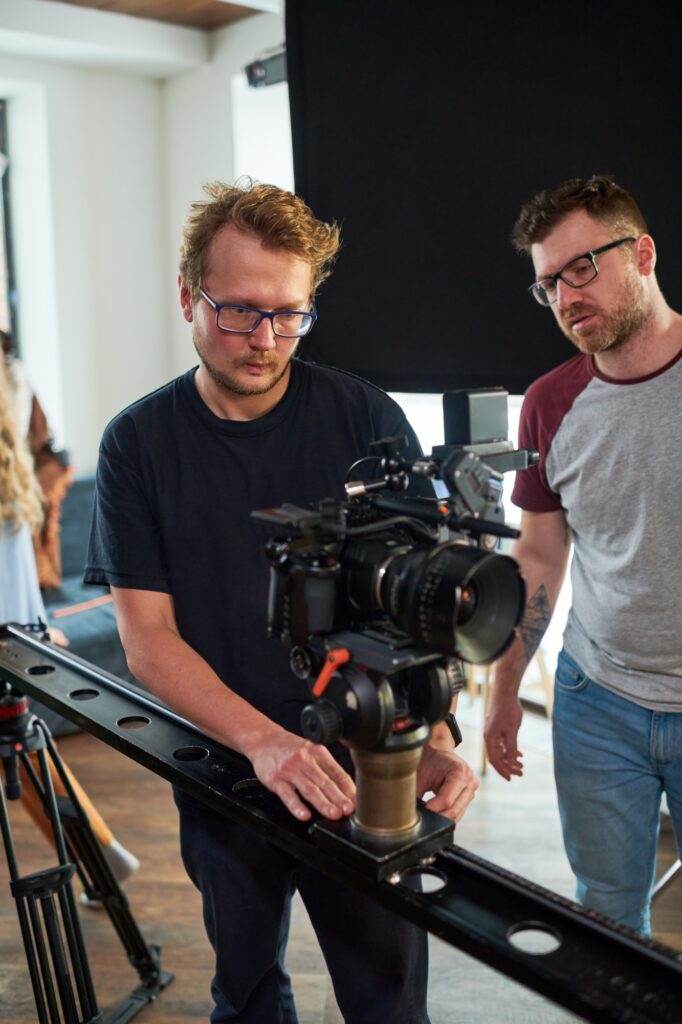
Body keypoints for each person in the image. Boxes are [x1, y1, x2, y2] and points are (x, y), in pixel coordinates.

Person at [84, 179, 478, 1023]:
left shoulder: (365, 419)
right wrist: (266, 747)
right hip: (227, 770)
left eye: (290, 314)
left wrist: (432, 734)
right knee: (249, 994)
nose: (266, 340)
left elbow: (414, 607)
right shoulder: (138, 445)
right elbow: (148, 639)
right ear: (189, 298)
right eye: (239, 312)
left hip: (369, 762)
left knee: (388, 1000)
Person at [483, 175, 682, 935]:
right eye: (547, 285)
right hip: (597, 701)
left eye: (581, 268)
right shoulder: (547, 403)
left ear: (643, 253)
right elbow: (538, 557)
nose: (565, 298)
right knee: (605, 918)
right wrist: (505, 688)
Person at [0, 354, 139, 892]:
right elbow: (17, 574)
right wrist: (36, 627)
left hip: (12, 644)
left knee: (24, 753)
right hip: (17, 642)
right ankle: (102, 853)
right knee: (25, 750)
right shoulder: (14, 474)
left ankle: (102, 854)